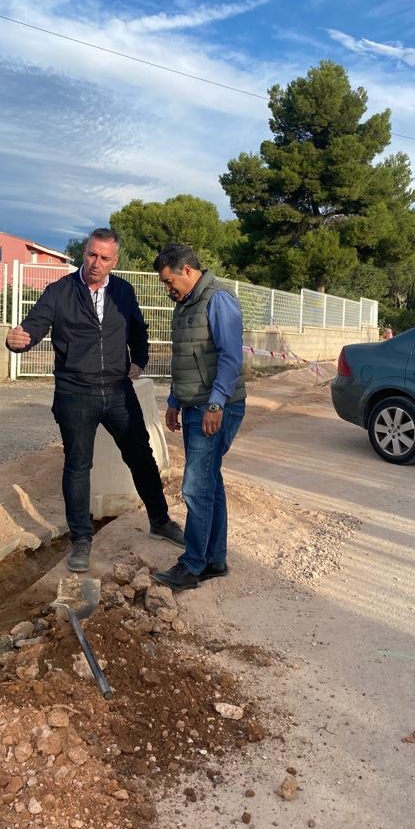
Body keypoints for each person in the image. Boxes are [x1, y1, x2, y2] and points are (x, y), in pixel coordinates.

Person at [5, 228, 183, 572]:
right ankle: (81, 540)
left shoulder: (123, 292)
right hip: (75, 393)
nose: (96, 263)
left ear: (115, 262)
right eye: (91, 255)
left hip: (118, 390)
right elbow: (34, 325)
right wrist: (19, 341)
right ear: (84, 253)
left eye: (104, 258)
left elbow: (138, 330)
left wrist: (139, 360)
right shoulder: (59, 292)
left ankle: (160, 521)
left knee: (142, 457)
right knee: (77, 466)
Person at [151, 243, 246, 590]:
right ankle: (214, 560)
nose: (167, 288)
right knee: (209, 483)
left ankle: (192, 566)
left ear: (187, 271)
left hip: (216, 408)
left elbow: (231, 357)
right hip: (195, 406)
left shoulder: (218, 299)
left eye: (168, 281)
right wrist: (175, 400)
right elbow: (185, 359)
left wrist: (216, 404)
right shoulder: (185, 305)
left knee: (195, 487)